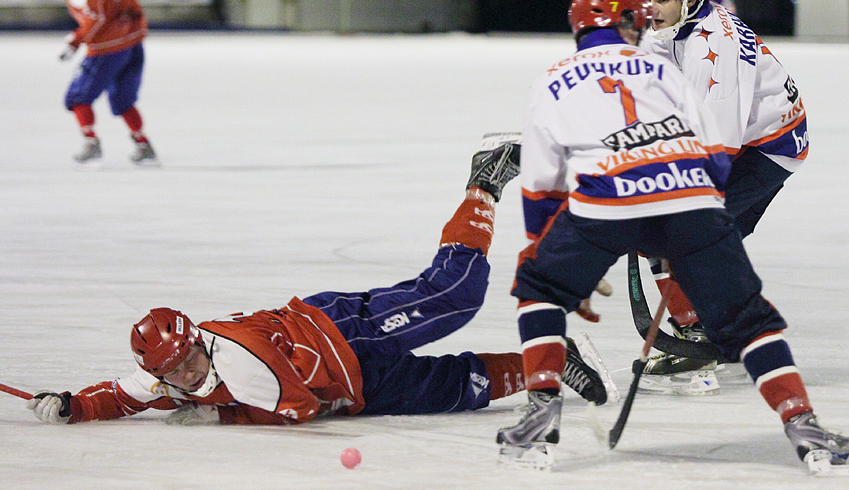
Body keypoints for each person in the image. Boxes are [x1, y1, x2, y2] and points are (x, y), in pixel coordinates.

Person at [495, 0, 849, 475]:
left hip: (605, 201)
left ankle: (538, 423)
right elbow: (713, 152)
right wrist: (702, 221)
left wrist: (553, 262)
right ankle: (807, 429)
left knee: (539, 290)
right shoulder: (661, 66)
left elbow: (542, 185)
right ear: (630, 22)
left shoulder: (552, 78)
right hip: (687, 195)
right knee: (750, 320)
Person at [26, 134, 607, 427]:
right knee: (460, 389)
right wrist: (73, 406)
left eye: (187, 360)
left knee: (454, 295)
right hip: (353, 390)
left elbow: (296, 409)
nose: (187, 373)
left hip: (344, 334)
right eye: (173, 371)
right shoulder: (166, 372)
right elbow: (124, 394)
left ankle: (484, 180)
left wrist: (218, 412)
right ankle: (555, 360)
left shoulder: (239, 361)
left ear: (198, 341)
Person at [631, 0, 808, 393]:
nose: (651, 7)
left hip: (766, 148)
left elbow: (718, 143)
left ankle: (706, 335)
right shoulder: (670, 26)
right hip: (751, 140)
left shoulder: (714, 45)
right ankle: (719, 329)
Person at [45, 0, 157, 165]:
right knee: (123, 100)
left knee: (78, 97)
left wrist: (75, 41)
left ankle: (91, 141)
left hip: (108, 48)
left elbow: (96, 17)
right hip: (130, 45)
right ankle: (143, 144)